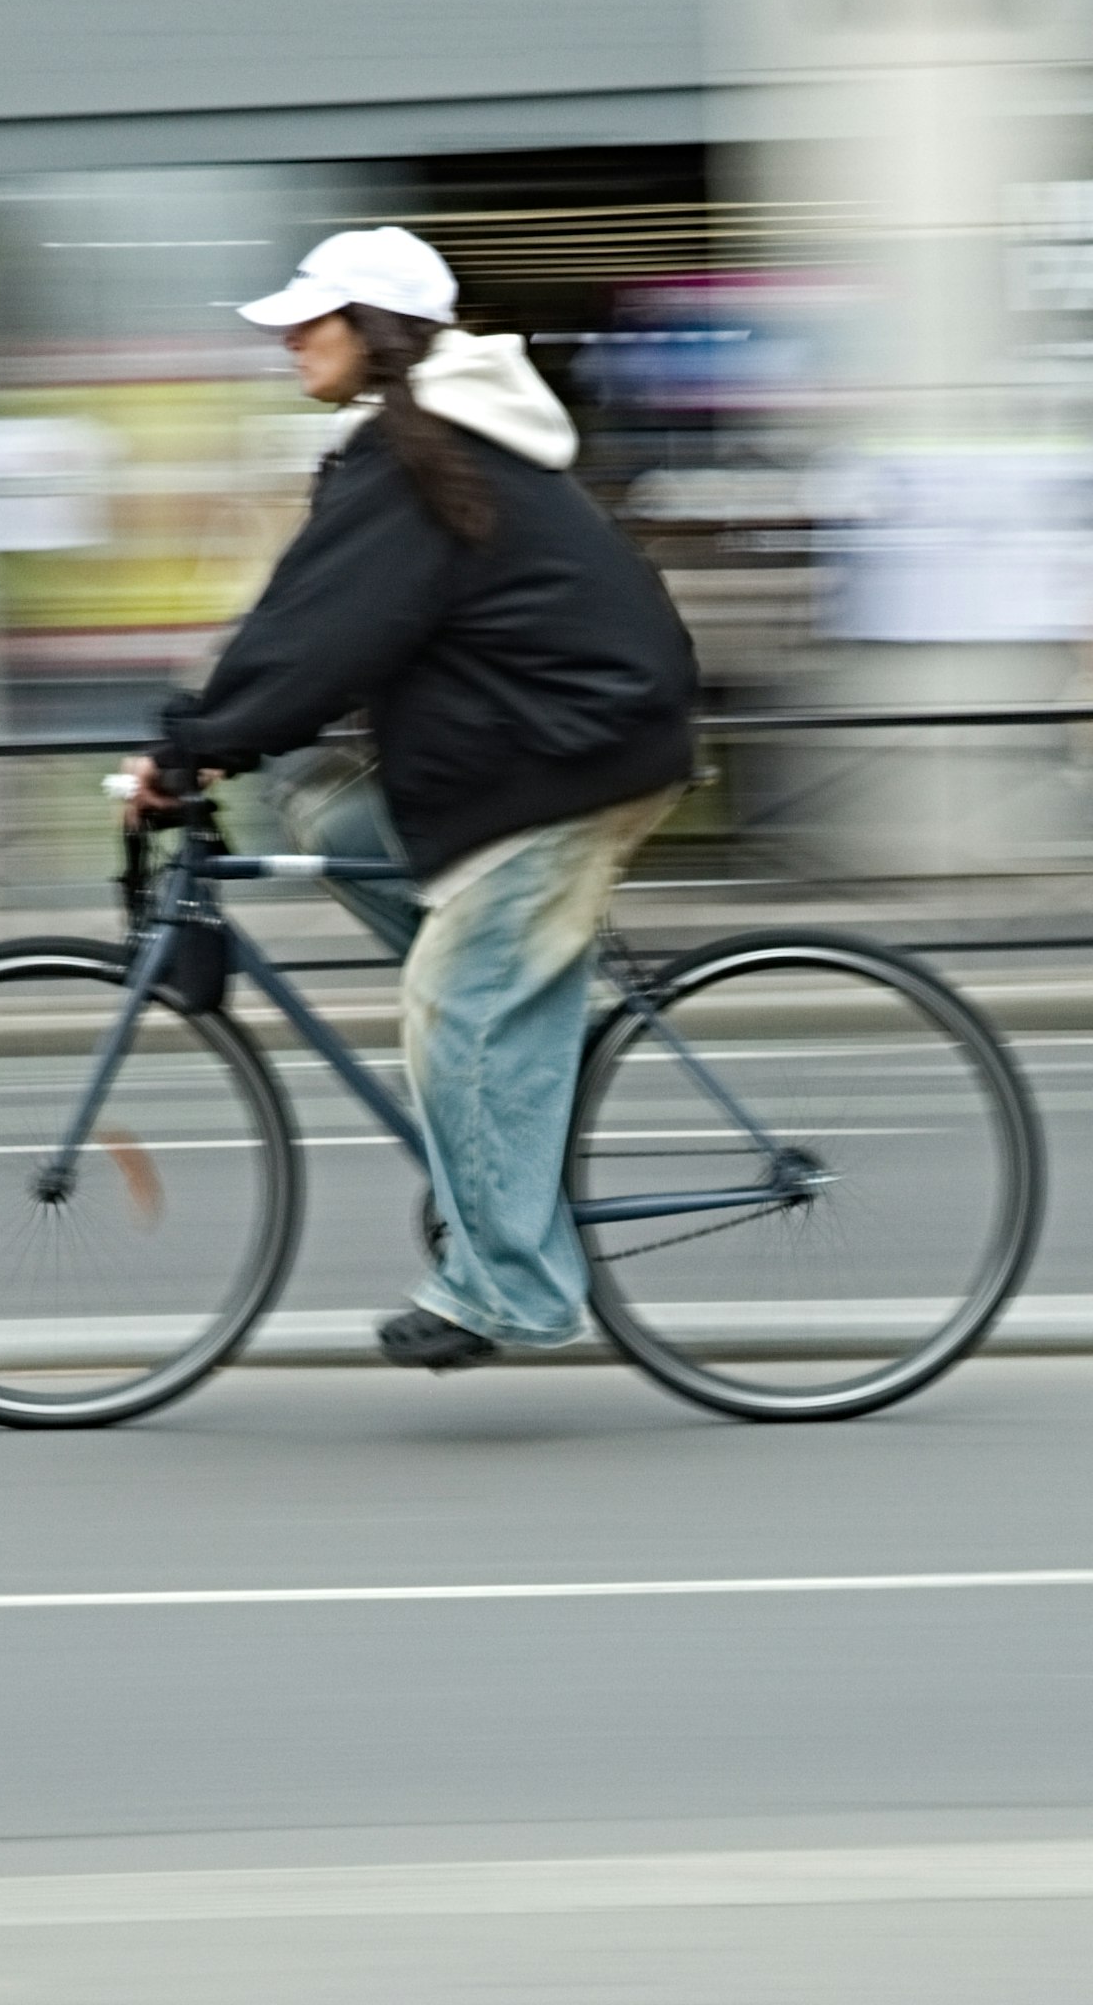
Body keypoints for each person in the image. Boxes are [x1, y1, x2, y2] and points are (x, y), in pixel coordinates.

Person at [120, 227, 698, 1374]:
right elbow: (310, 618)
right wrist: (221, 739)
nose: (288, 336)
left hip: (570, 762)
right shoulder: (414, 445)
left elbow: (328, 631)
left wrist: (193, 748)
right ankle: (531, 1034)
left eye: (310, 316)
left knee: (457, 1002)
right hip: (535, 747)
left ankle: (512, 1290)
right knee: (332, 819)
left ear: (372, 328)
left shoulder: (425, 448)